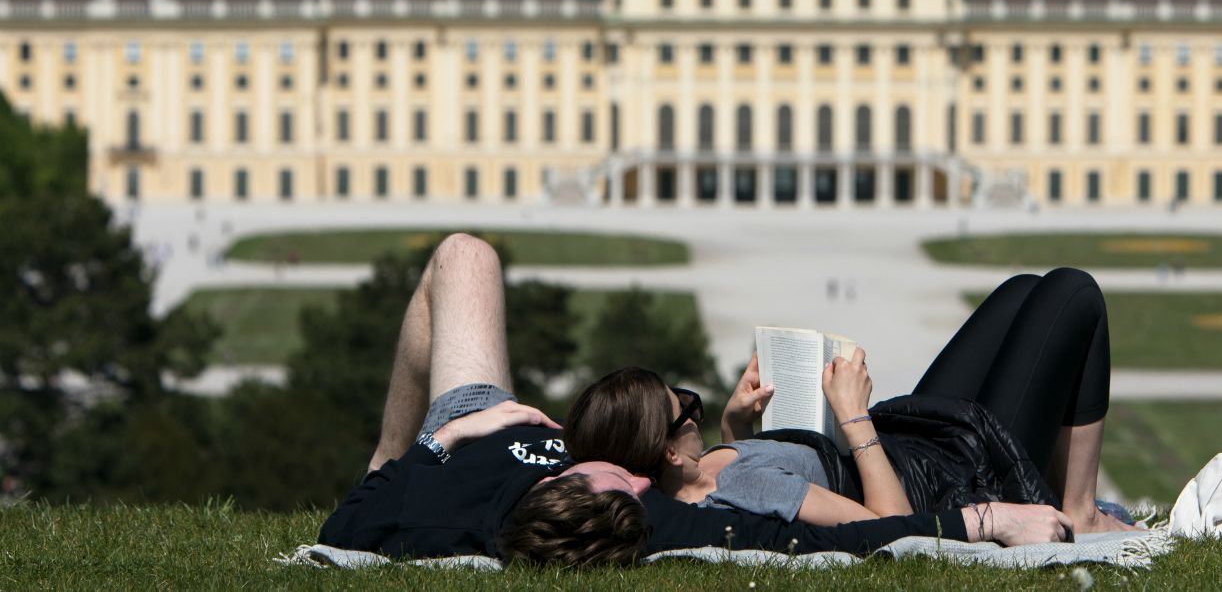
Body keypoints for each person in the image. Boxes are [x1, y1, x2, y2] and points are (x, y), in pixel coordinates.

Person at [318, 233, 1076, 567]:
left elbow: (346, 525)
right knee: (1054, 300)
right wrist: (982, 521)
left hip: (464, 432)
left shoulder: (439, 507)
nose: (635, 474)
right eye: (635, 481)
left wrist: (433, 446)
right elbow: (838, 542)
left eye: (623, 471)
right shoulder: (654, 516)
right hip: (473, 436)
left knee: (463, 255)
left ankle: (385, 450)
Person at [560, 267, 1137, 536]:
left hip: (913, 444)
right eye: (686, 408)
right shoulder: (742, 491)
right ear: (667, 455)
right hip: (956, 476)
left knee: (1019, 293)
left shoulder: (696, 480)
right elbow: (891, 526)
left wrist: (738, 431)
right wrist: (852, 412)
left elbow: (740, 479)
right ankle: (1079, 511)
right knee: (1072, 294)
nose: (695, 406)